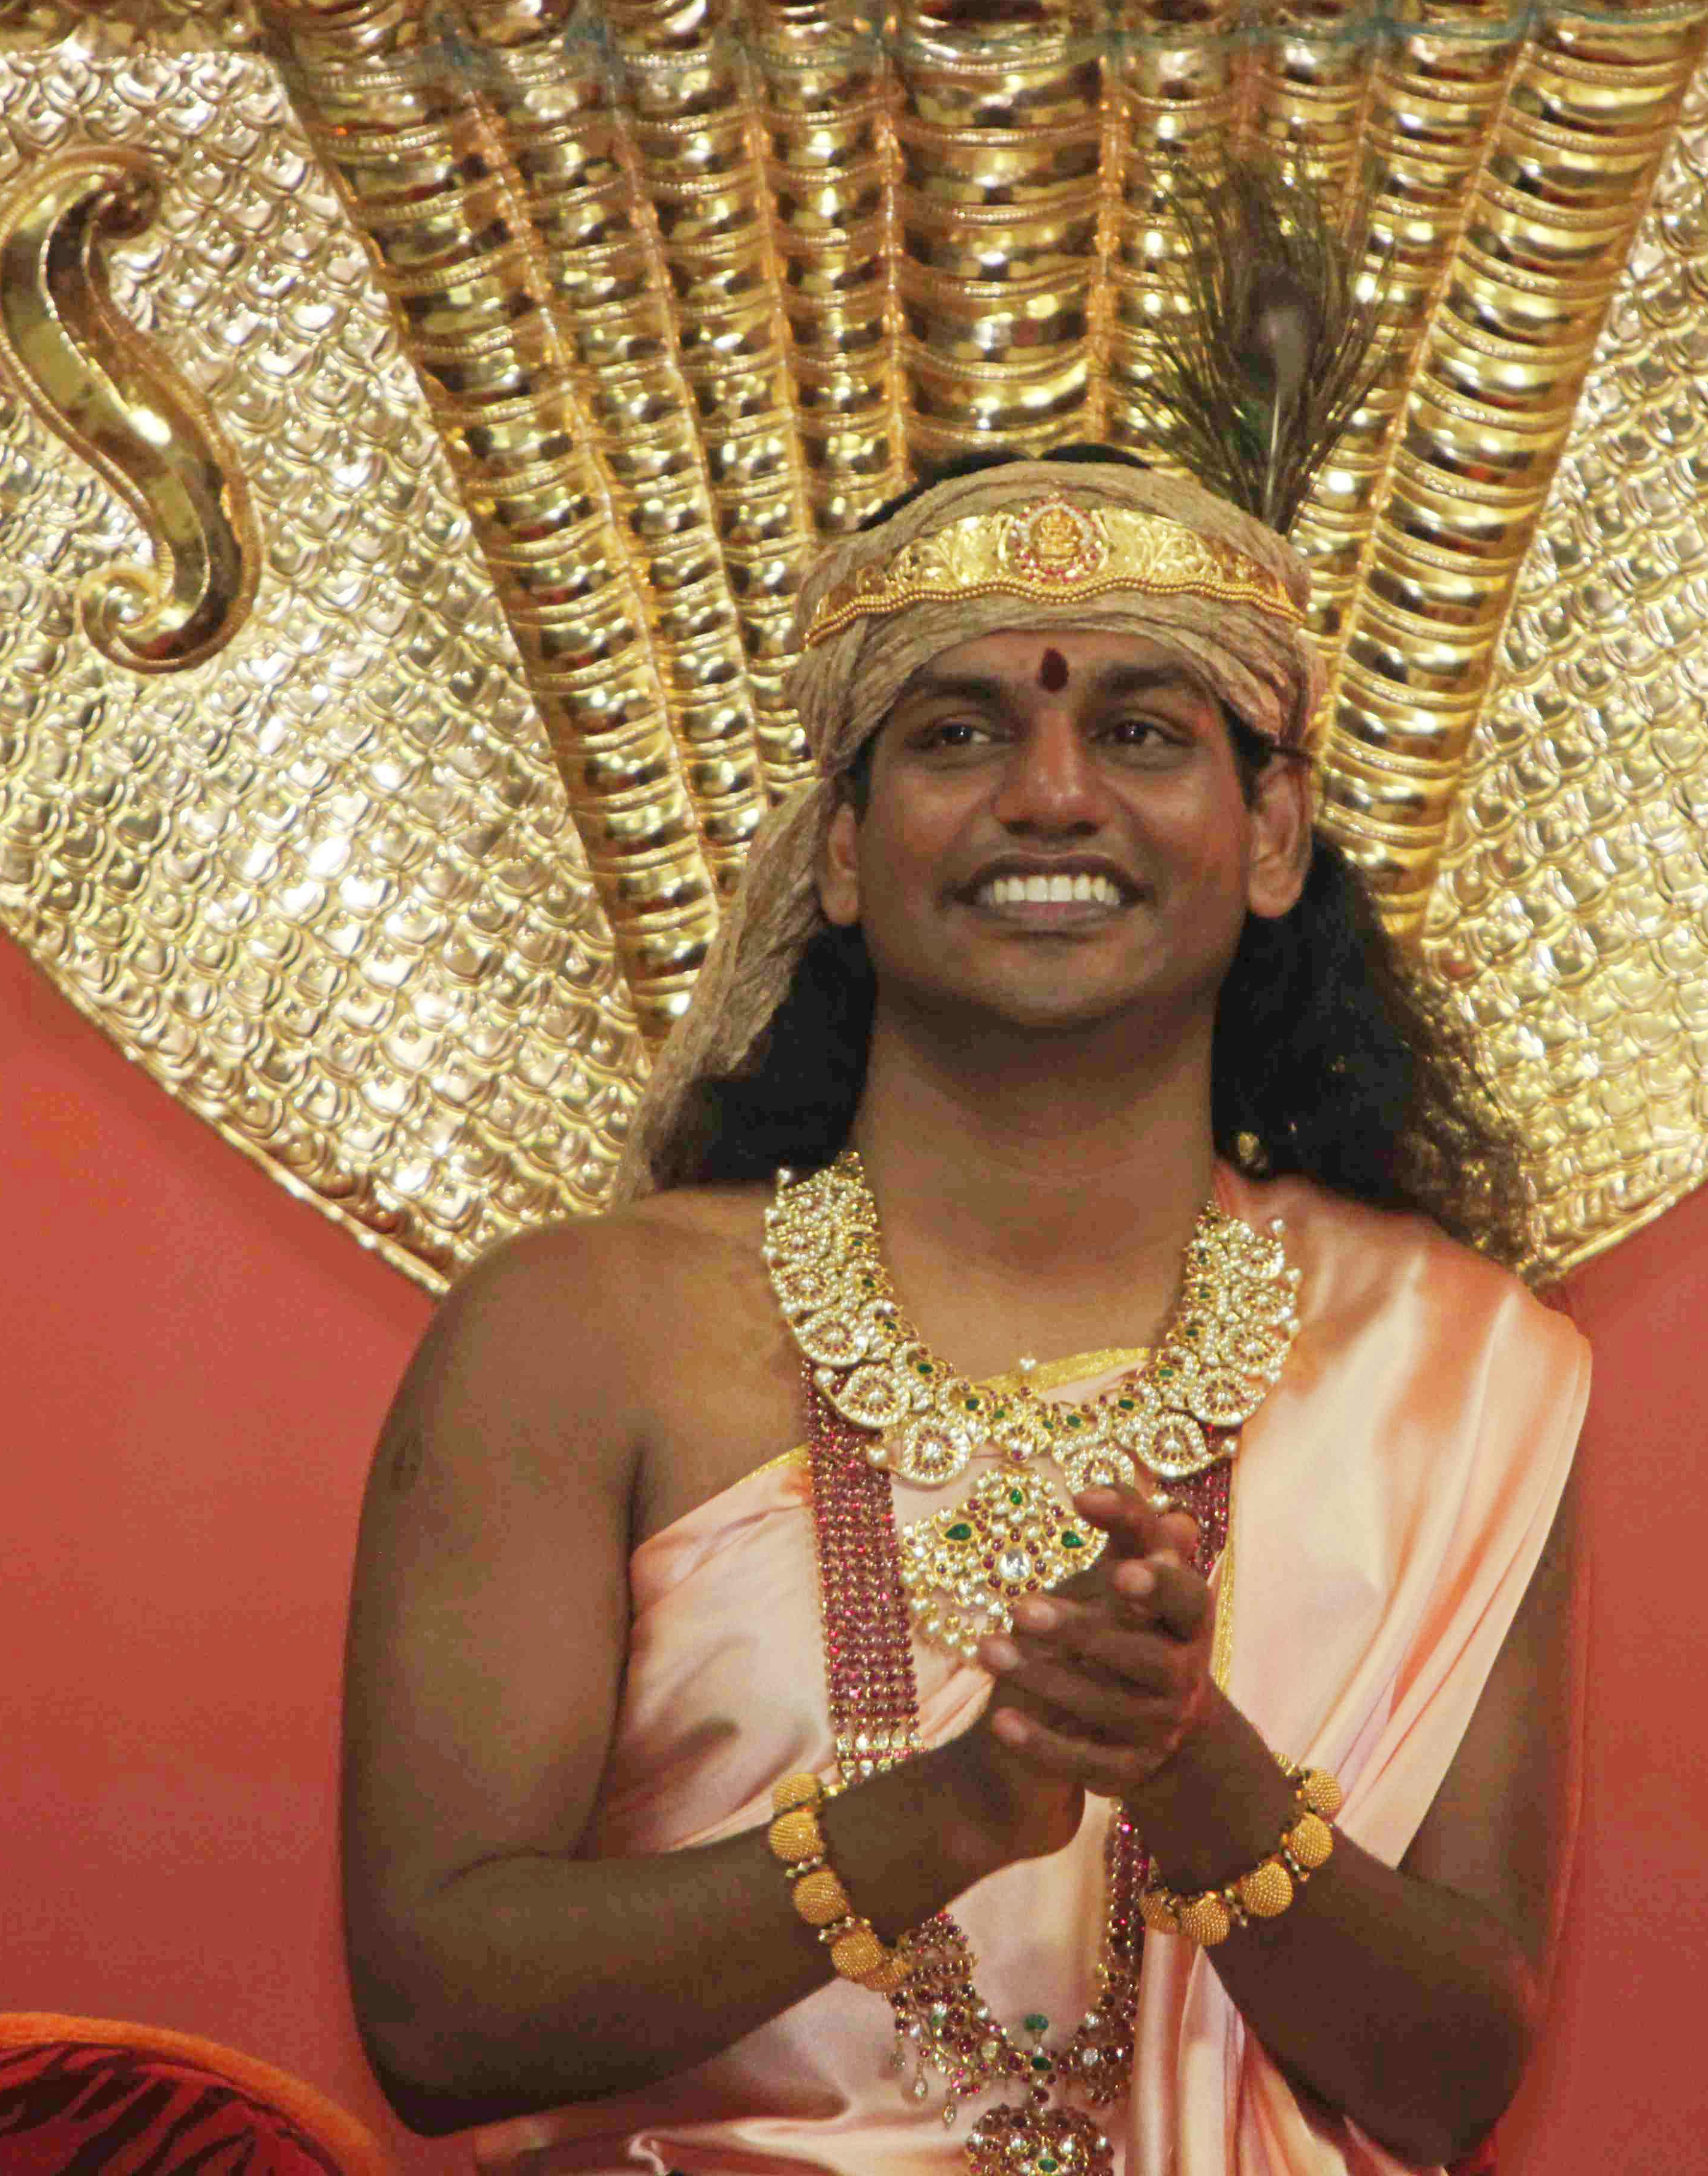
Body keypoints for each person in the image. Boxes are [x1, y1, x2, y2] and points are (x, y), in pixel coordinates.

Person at [340, 449, 1595, 2175]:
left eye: (1141, 731)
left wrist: (1194, 1770)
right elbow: (434, 2018)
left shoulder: (1451, 1368)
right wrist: (940, 1819)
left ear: (1273, 835)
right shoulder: (579, 1336)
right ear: (844, 852)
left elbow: (1456, 2077)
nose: (1052, 796)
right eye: (957, 734)